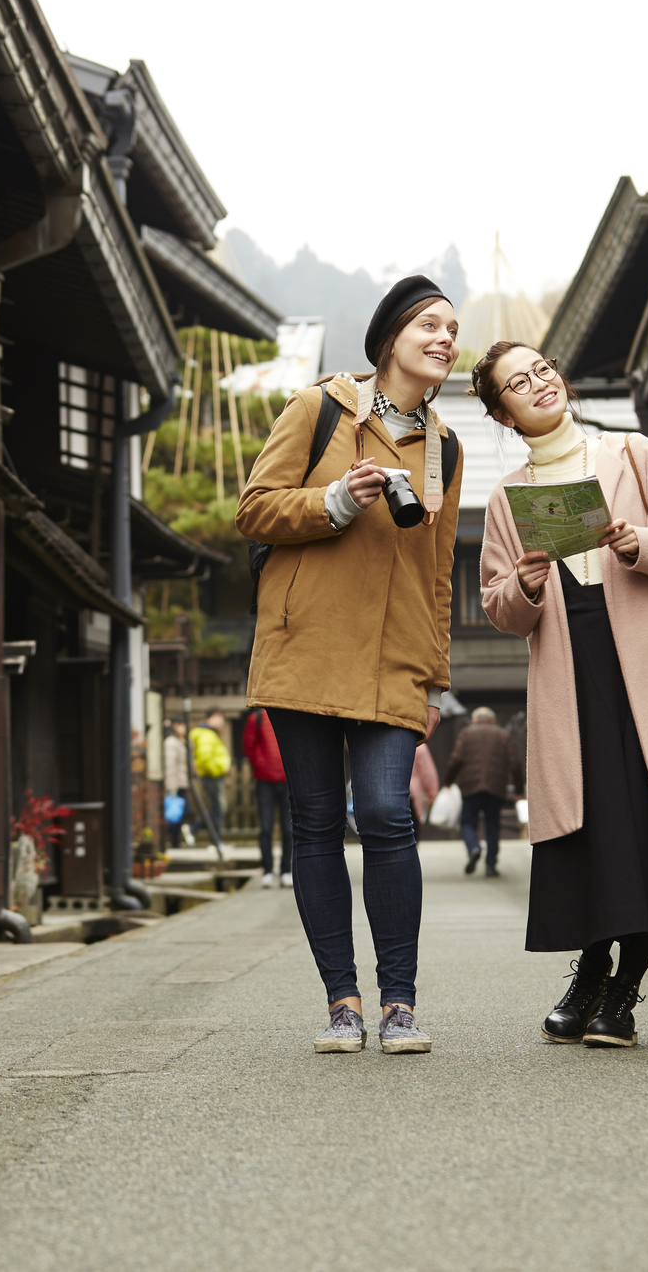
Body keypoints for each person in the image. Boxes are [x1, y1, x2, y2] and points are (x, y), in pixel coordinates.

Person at [474, 341, 648, 1049]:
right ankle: (590, 971)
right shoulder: (506, 498)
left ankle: (620, 992)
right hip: (571, 669)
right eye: (518, 383)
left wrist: (637, 544)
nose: (539, 383)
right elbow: (498, 605)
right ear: (503, 413)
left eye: (542, 369)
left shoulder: (631, 453)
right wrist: (525, 584)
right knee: (597, 830)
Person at [235, 276, 464, 1055]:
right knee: (316, 821)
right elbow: (254, 508)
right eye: (429, 324)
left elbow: (439, 572)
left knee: (389, 813)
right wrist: (335, 499)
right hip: (306, 644)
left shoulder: (446, 446)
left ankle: (399, 1004)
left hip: (395, 659)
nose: (445, 338)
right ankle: (343, 1002)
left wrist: (435, 677)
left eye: (452, 328)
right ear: (390, 337)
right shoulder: (320, 408)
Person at [446, 706, 522, 878]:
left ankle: (473, 848)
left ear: (475, 720)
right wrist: (519, 790)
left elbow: (456, 759)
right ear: (493, 720)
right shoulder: (503, 735)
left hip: (470, 786)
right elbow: (515, 763)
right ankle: (490, 865)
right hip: (495, 787)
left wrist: (448, 782)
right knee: (492, 825)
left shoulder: (466, 733)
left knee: (467, 822)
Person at [241, 705, 291, 888]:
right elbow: (249, 745)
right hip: (264, 780)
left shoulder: (290, 715)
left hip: (287, 779)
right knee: (266, 828)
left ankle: (286, 870)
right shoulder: (257, 718)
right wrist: (259, 765)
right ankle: (268, 871)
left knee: (289, 829)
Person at [189, 709, 231, 861]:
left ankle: (207, 835)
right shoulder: (206, 733)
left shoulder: (210, 733)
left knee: (216, 808)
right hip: (211, 775)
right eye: (219, 717)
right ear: (210, 718)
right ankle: (212, 838)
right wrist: (216, 770)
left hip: (213, 775)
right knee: (218, 808)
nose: (222, 721)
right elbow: (205, 757)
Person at [161, 718, 191, 851]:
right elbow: (170, 766)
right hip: (175, 784)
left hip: (180, 783)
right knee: (177, 813)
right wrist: (172, 787)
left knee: (180, 813)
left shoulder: (178, 741)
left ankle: (175, 840)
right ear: (176, 725)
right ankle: (173, 840)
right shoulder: (171, 742)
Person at [409, 742, 439, 825]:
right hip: (411, 794)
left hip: (387, 795)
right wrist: (432, 794)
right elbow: (427, 773)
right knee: (412, 826)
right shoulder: (418, 745)